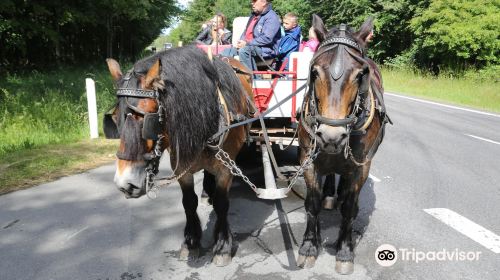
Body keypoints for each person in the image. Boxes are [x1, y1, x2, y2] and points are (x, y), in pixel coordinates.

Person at [220, 0, 281, 72]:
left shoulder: (272, 17)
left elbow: (267, 38)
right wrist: (240, 43)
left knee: (244, 51)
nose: (252, 3)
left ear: (264, 2)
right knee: (225, 52)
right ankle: (226, 79)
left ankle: (252, 79)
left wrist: (247, 43)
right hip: (250, 47)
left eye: (254, 1)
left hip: (266, 50)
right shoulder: (253, 16)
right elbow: (245, 33)